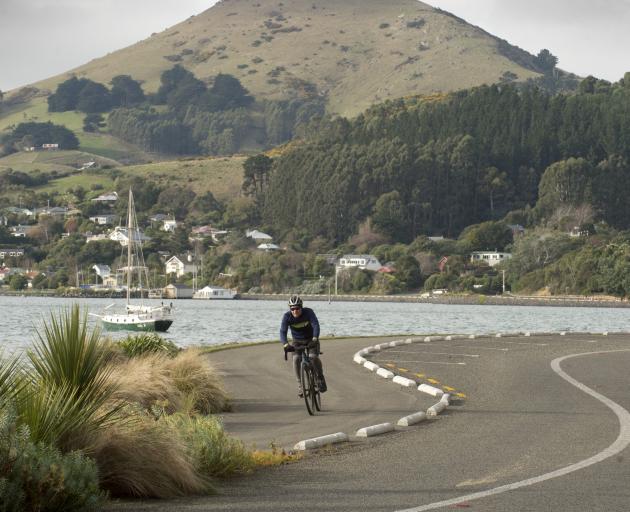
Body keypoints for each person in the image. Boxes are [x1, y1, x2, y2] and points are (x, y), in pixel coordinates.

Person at [280, 295, 327, 397]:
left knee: (313, 357)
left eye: (297, 308)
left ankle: (320, 377)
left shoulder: (308, 312)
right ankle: (301, 386)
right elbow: (283, 331)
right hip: (297, 341)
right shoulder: (287, 317)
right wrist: (285, 344)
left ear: (301, 307)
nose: (295, 311)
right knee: (296, 359)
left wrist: (315, 338)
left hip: (311, 340)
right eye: (292, 309)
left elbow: (315, 325)